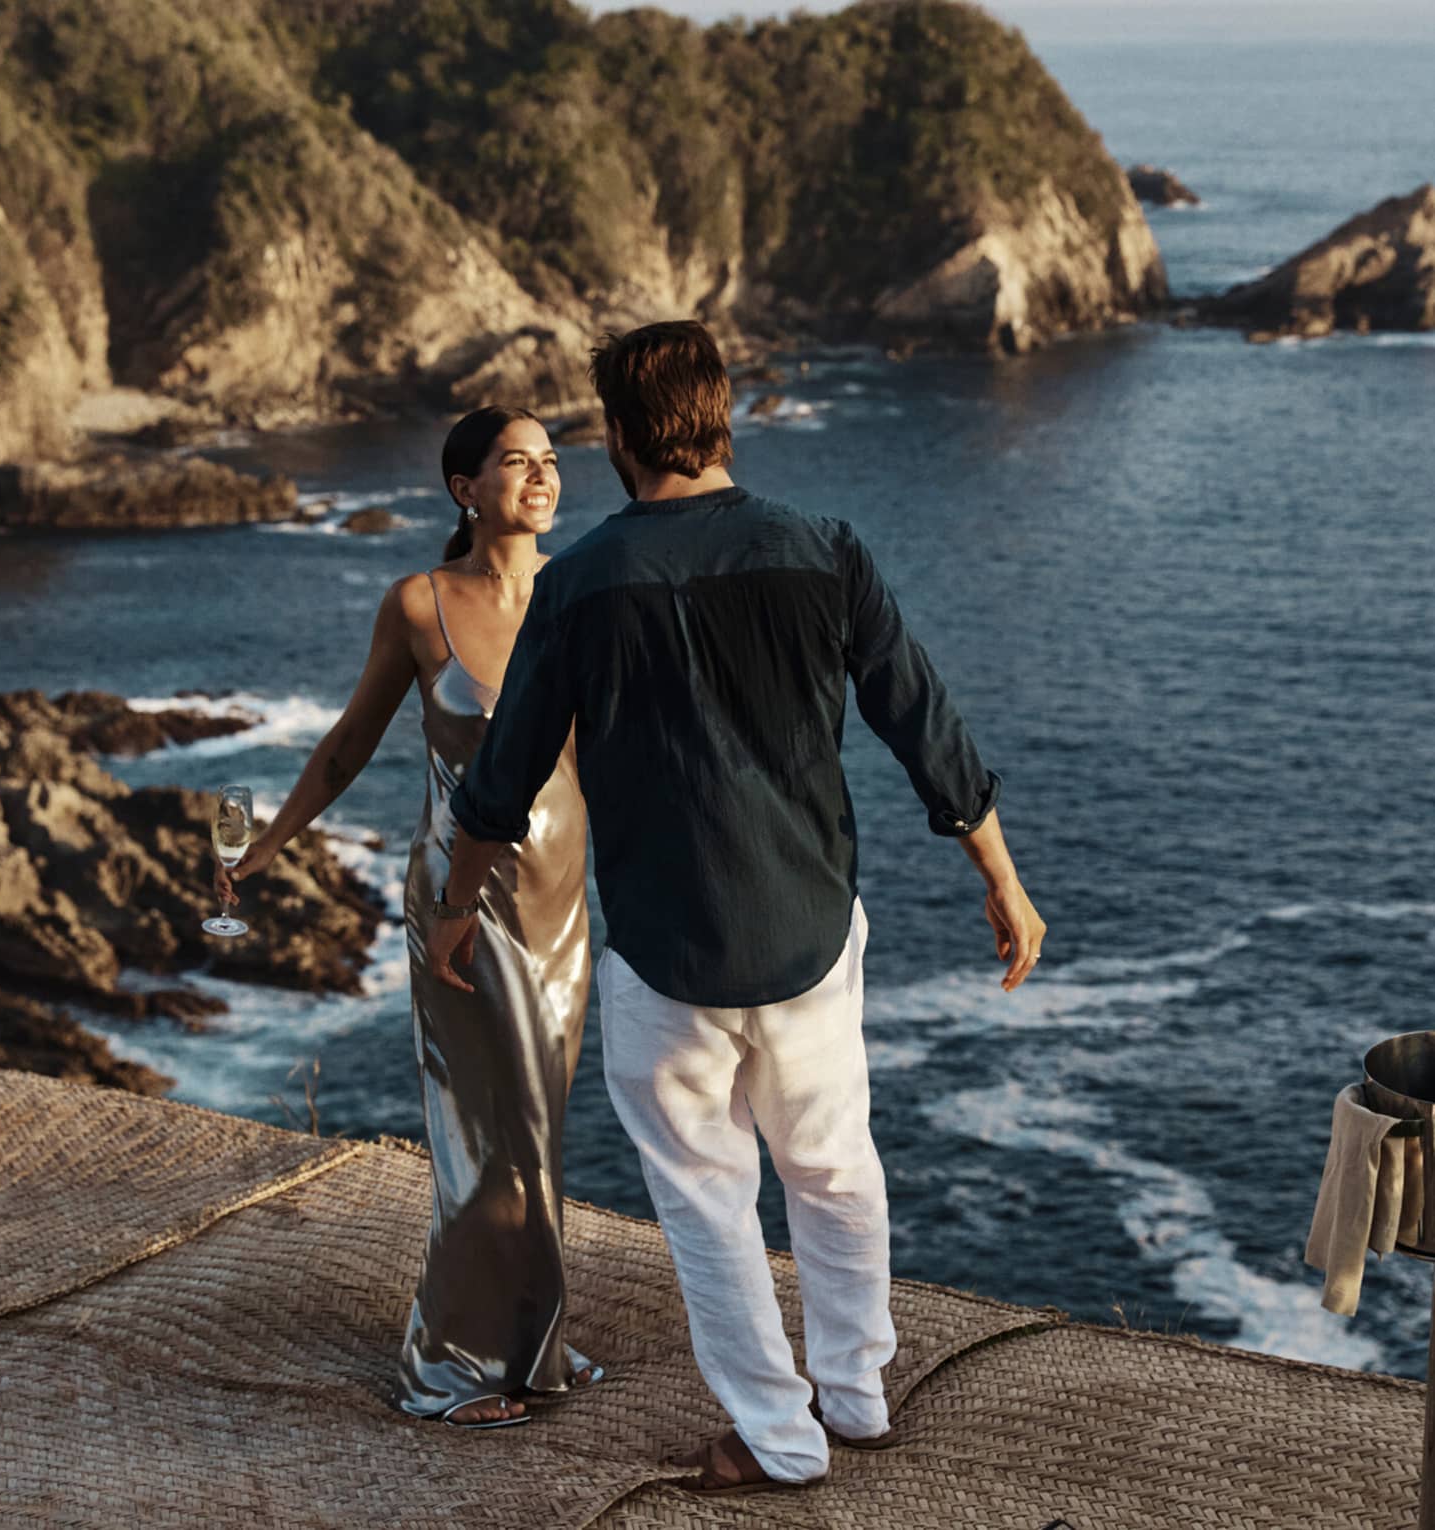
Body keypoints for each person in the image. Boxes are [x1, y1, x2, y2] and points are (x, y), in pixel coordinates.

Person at [425, 321, 1047, 1492]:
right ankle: (856, 1396)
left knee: (709, 1202)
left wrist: (457, 908)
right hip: (808, 932)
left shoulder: (578, 583)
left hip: (667, 952)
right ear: (722, 418)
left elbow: (502, 779)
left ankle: (778, 1439)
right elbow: (922, 721)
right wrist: (1001, 877)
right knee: (835, 1166)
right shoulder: (826, 550)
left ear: (619, 434)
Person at [217, 406, 599, 1429]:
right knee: (480, 1132)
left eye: (550, 461)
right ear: (465, 489)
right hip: (460, 904)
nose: (540, 477)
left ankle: (532, 1342)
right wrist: (269, 845)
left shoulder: (585, 589)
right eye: (515, 462)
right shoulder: (419, 604)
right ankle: (451, 1365)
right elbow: (348, 744)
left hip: (563, 905)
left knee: (538, 1130)